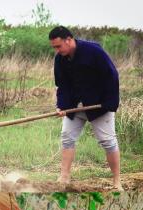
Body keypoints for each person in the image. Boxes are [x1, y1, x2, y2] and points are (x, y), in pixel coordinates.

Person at [49, 26, 122, 190]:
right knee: (67, 137)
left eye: (58, 46)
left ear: (69, 40)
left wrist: (110, 103)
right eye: (54, 47)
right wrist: (61, 106)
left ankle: (117, 182)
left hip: (99, 105)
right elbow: (62, 85)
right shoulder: (60, 60)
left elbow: (111, 76)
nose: (57, 50)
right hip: (74, 106)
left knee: (108, 142)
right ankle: (64, 177)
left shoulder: (93, 52)